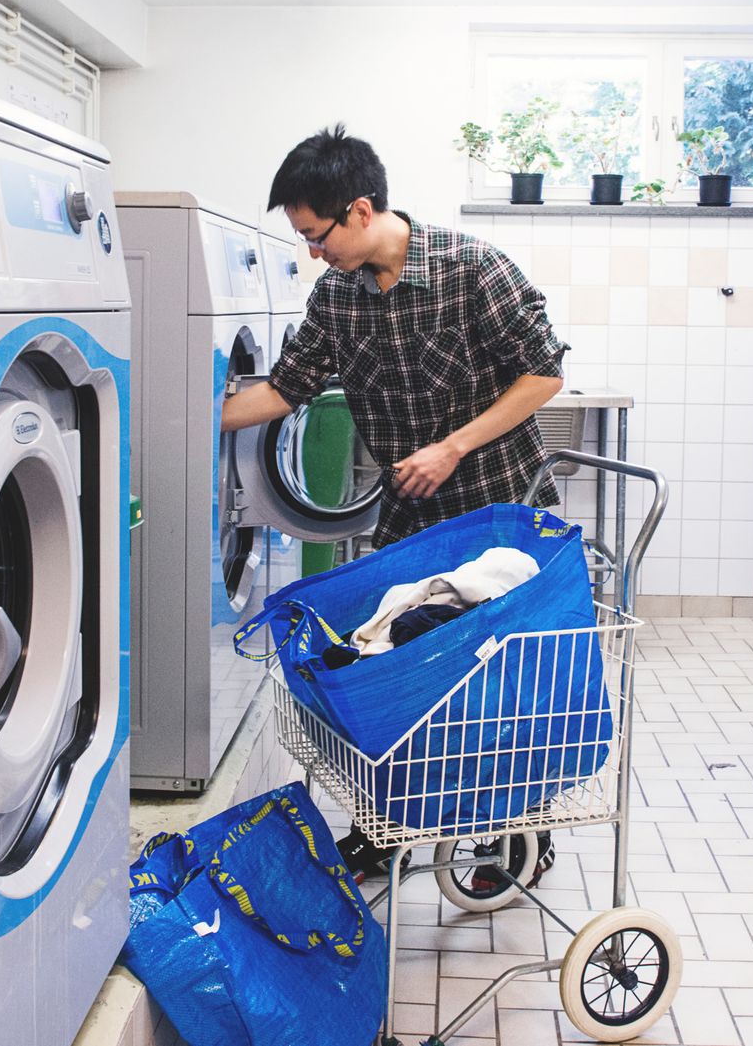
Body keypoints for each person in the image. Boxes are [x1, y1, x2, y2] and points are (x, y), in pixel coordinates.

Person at [221, 123, 567, 884]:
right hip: (411, 517)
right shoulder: (338, 297)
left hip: (496, 507)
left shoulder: (471, 268)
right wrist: (183, 412)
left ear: (361, 209)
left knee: (501, 680)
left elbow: (544, 374)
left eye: (317, 236)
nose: (314, 253)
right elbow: (285, 389)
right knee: (394, 670)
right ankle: (386, 829)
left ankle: (521, 833)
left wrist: (452, 446)